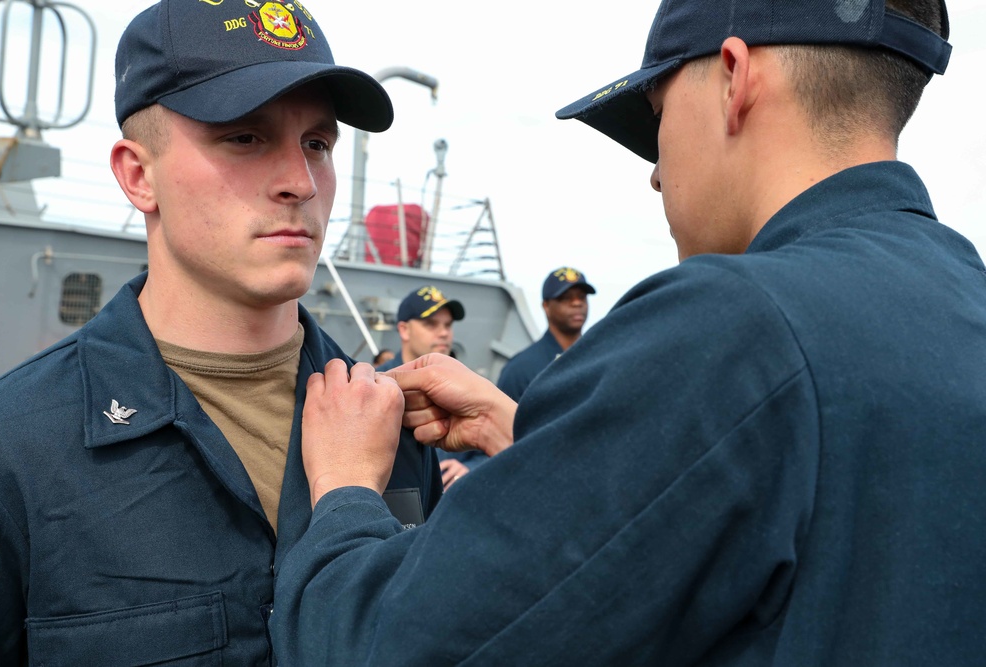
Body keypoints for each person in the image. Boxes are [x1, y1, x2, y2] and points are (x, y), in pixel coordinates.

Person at [271, 0, 986, 664]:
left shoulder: (731, 325)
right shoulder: (961, 298)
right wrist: (529, 439)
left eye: (657, 114)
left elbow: (389, 643)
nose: (654, 175)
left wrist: (342, 490)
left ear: (733, 78)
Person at [0, 1, 442, 664]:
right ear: (139, 175)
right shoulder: (13, 450)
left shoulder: (391, 420)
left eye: (317, 143)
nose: (300, 182)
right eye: (244, 137)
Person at [377, 284, 484, 488]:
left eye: (448, 325)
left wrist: (470, 470)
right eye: (431, 324)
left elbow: (491, 452)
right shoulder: (376, 385)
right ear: (404, 330)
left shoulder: (471, 385)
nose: (444, 333)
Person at [496, 266, 596, 401]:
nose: (577, 303)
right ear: (546, 306)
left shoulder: (599, 357)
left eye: (582, 297)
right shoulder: (521, 370)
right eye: (566, 298)